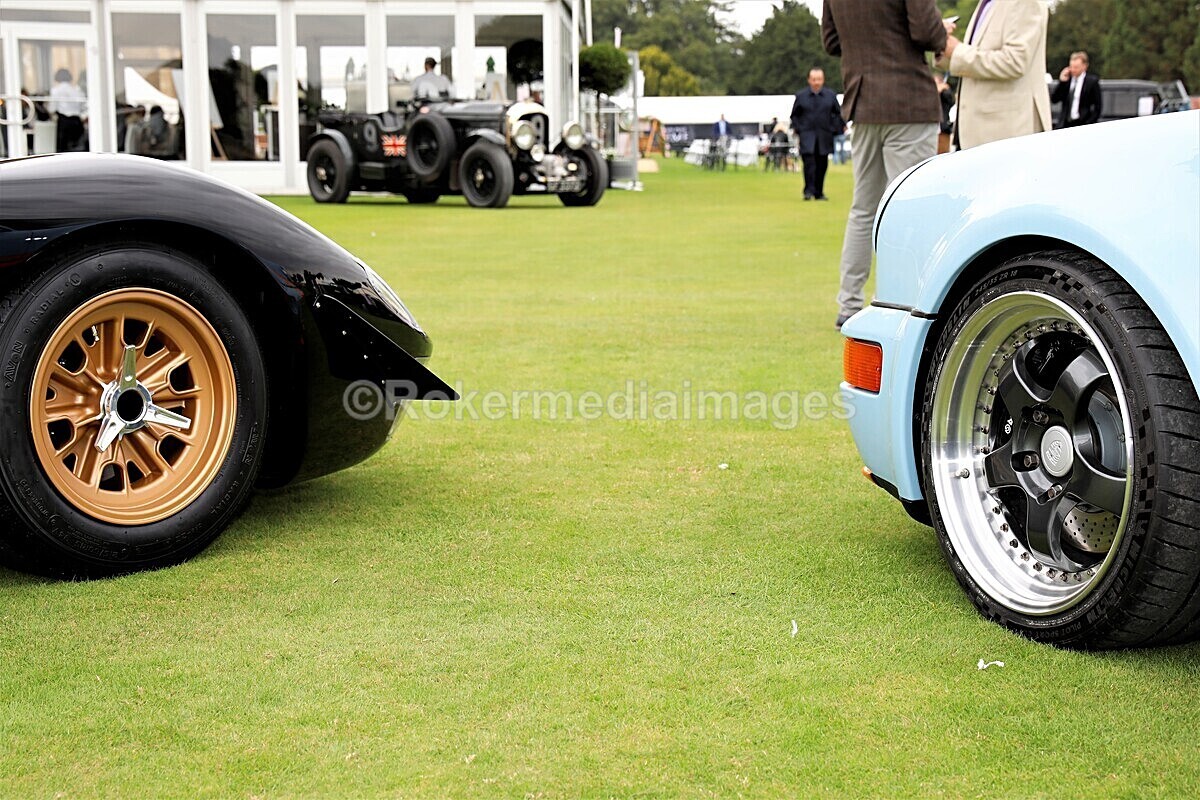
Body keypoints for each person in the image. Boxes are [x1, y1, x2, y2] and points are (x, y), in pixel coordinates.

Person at [822, 0, 949, 329]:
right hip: (907, 100)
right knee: (911, 209)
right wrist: (942, 31)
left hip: (863, 102)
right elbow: (926, 31)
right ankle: (902, 304)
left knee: (863, 209)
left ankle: (849, 303)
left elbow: (831, 42)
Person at [937, 0, 1052, 149]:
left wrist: (957, 51)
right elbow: (970, 62)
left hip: (1006, 133)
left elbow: (1014, 62)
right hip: (978, 133)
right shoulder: (986, 3)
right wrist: (942, 45)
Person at [789, 68, 844, 201]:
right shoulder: (801, 96)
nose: (816, 82)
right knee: (809, 164)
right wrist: (800, 129)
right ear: (809, 80)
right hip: (807, 136)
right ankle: (808, 191)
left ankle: (819, 192)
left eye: (819, 79)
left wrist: (833, 128)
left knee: (822, 165)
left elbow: (838, 114)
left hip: (824, 136)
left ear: (823, 80)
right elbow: (794, 116)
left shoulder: (830, 95)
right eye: (814, 79)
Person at [1051, 51, 1102, 128]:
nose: (1073, 70)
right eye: (1071, 67)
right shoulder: (1067, 80)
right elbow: (1055, 99)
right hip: (1066, 124)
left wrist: (1089, 123)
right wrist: (1062, 82)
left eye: (1076, 67)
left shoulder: (1091, 82)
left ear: (1084, 66)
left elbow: (1097, 107)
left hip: (1082, 123)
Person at [47, 68, 87, 152]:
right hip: (76, 121)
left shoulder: (56, 90)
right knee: (78, 148)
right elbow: (83, 106)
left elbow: (52, 108)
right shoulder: (76, 89)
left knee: (63, 149)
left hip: (63, 121)